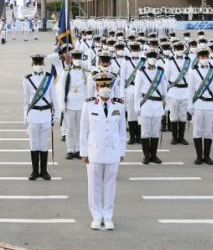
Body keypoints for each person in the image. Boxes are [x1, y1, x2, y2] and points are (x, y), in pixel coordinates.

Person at [80, 72, 125, 231]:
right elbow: (84, 130)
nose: (104, 88)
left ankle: (108, 216)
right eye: (101, 85)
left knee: (110, 185)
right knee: (94, 186)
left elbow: (122, 130)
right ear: (96, 87)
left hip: (112, 151)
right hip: (94, 151)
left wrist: (121, 151)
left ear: (112, 87)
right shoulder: (89, 104)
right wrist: (84, 152)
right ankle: (96, 216)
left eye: (107, 85)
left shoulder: (119, 104)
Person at [23, 54, 56, 180]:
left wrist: (56, 113)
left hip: (46, 113)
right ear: (32, 65)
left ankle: (44, 171)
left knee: (44, 144)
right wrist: (25, 117)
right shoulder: (27, 79)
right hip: (33, 114)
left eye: (40, 63)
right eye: (36, 64)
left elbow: (53, 97)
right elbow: (26, 101)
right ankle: (34, 171)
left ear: (43, 64)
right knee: (34, 143)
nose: (38, 66)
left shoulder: (49, 78)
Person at [187, 48, 213, 165]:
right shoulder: (193, 71)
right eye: (202, 57)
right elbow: (190, 90)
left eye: (206, 56)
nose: (204, 59)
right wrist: (190, 105)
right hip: (198, 104)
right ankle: (198, 156)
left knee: (208, 132)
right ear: (198, 58)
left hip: (209, 104)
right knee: (197, 131)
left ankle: (207, 156)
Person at [133, 50, 166, 164]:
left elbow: (164, 89)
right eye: (150, 56)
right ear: (146, 58)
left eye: (154, 56)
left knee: (155, 132)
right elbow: (137, 91)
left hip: (157, 104)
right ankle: (146, 156)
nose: (152, 58)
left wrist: (165, 105)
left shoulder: (161, 71)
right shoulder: (141, 72)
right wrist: (137, 106)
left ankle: (154, 155)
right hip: (145, 104)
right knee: (145, 132)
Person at [59, 49, 88, 160]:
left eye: (78, 58)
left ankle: (79, 149)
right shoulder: (66, 72)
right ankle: (71, 149)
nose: (77, 60)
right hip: (70, 102)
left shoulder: (85, 71)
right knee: (70, 128)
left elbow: (88, 88)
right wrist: (62, 104)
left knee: (81, 128)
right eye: (75, 58)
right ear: (72, 59)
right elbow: (62, 89)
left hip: (82, 102)